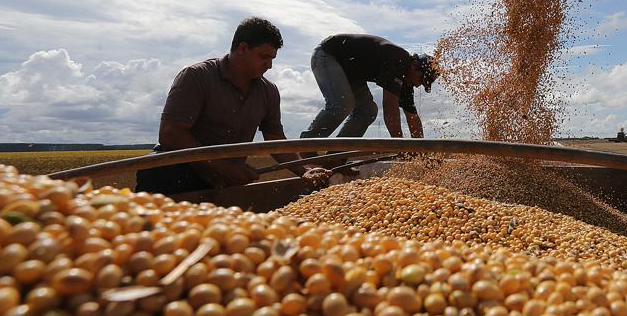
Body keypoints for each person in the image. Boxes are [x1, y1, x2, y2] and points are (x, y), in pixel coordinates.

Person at [136, 17, 331, 195]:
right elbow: (171, 133)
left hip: (220, 182)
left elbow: (275, 139)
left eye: (272, 59)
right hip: (175, 175)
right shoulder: (197, 77)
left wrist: (303, 169)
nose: (269, 66)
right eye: (264, 57)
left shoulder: (268, 92)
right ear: (243, 48)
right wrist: (223, 167)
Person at [299, 34, 438, 140]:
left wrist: (421, 153)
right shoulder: (399, 60)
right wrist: (399, 146)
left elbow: (412, 118)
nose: (419, 85)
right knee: (342, 105)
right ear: (415, 66)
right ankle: (305, 148)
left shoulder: (406, 80)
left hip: (350, 71)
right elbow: (390, 107)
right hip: (328, 55)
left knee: (367, 110)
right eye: (421, 79)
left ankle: (336, 158)